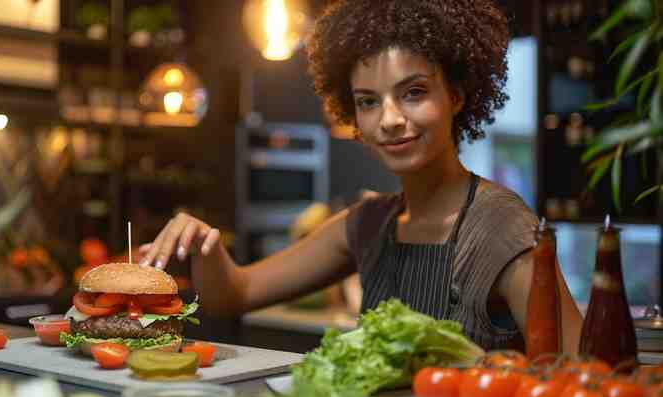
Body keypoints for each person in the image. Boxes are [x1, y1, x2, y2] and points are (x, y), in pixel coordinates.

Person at [139, 0, 582, 352]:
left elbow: (583, 371)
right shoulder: (368, 224)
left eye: (413, 93)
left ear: (457, 95)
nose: (389, 119)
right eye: (368, 101)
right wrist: (205, 246)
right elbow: (234, 294)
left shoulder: (503, 227)